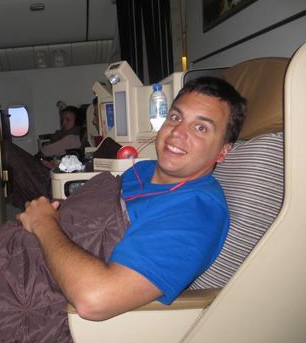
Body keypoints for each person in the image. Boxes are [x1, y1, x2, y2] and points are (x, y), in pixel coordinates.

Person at [18, 76, 247, 321]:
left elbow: (95, 299)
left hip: (30, 293)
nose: (178, 132)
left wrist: (43, 223)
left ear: (223, 151)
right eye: (175, 117)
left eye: (200, 128)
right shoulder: (144, 169)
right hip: (22, 251)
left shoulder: (196, 212)